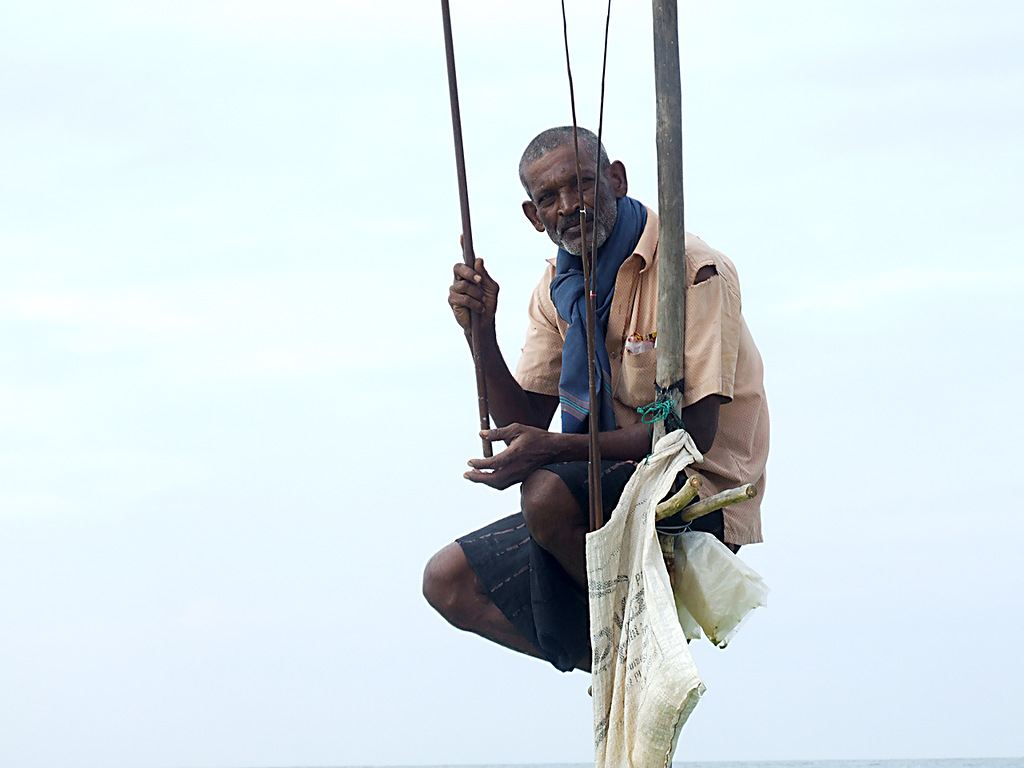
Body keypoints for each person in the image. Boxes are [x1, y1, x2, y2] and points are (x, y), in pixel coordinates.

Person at [423, 126, 769, 673]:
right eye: (549, 198)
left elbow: (691, 435)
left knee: (543, 494)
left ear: (615, 179)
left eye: (581, 184)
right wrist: (479, 332)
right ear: (533, 216)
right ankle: (614, 662)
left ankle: (636, 641)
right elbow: (525, 420)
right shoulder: (557, 291)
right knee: (447, 581)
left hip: (696, 489)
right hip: (602, 483)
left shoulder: (691, 268)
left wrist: (550, 451)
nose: (569, 207)